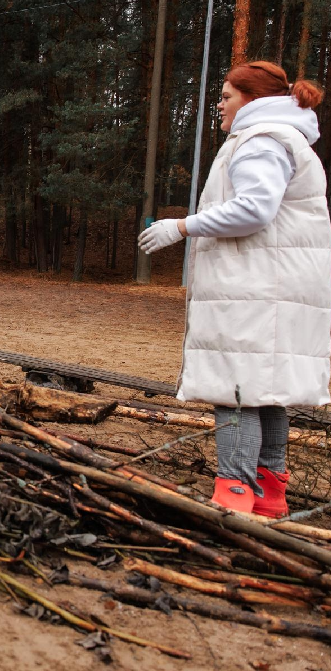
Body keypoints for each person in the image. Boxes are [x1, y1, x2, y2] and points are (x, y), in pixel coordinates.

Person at [138, 61, 330, 517]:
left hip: (256, 289)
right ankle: (269, 495)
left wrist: (182, 226)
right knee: (266, 388)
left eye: (226, 96)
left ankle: (234, 498)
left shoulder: (261, 140)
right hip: (271, 287)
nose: (219, 105)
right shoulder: (284, 139)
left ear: (253, 100)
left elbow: (253, 210)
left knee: (237, 387)